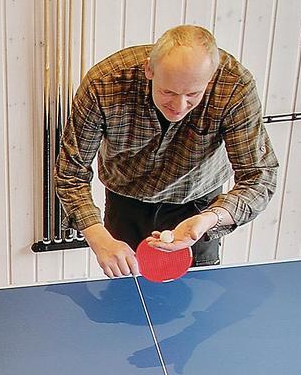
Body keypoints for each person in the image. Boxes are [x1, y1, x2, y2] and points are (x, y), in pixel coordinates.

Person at [53, 25, 280, 278]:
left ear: (211, 77)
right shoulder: (104, 84)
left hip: (198, 203)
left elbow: (260, 177)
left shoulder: (235, 86)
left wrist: (210, 219)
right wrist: (98, 238)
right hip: (126, 198)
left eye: (193, 94)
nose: (179, 106)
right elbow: (70, 173)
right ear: (149, 70)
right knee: (128, 287)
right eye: (168, 92)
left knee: (197, 291)